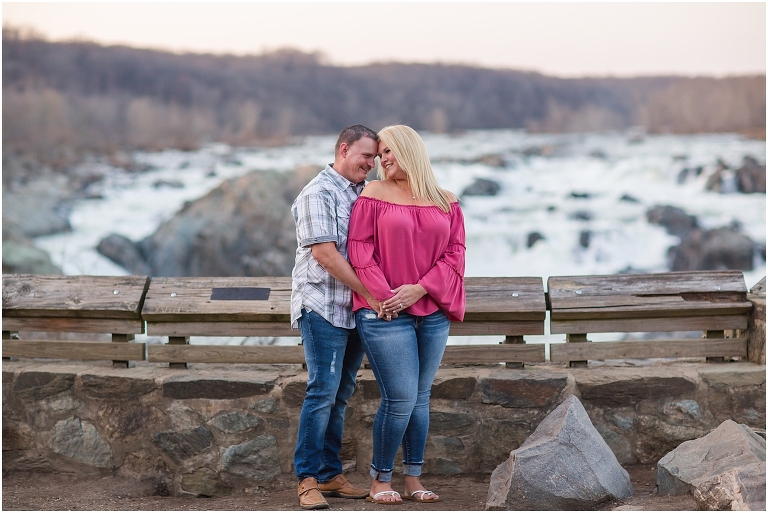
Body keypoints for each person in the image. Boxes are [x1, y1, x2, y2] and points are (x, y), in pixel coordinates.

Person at [348, 125, 466, 504]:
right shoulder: (374, 193)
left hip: (431, 313)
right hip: (384, 313)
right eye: (379, 153)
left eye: (388, 151)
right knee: (399, 397)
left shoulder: (446, 201)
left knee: (419, 397)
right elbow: (359, 249)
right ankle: (380, 480)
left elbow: (455, 254)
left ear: (409, 150)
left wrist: (421, 288)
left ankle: (413, 478)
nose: (382, 159)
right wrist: (386, 297)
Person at [290, 124, 391, 510]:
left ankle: (331, 475)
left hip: (352, 310)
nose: (373, 163)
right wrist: (370, 293)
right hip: (322, 306)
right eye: (367, 156)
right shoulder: (319, 192)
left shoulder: (362, 192)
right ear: (344, 150)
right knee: (322, 390)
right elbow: (325, 255)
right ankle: (307, 480)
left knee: (341, 394)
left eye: (376, 157)